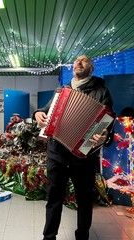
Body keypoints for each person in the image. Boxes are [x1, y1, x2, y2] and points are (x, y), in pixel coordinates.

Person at [33, 55, 115, 240]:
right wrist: (37, 113)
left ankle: (82, 237)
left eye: (84, 61)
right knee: (54, 199)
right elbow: (43, 111)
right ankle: (49, 237)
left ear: (91, 69)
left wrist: (104, 136)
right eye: (77, 61)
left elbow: (107, 123)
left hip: (83, 156)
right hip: (57, 153)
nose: (78, 63)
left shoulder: (102, 92)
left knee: (84, 201)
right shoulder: (60, 91)